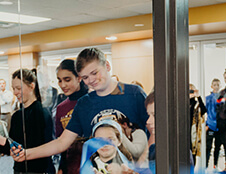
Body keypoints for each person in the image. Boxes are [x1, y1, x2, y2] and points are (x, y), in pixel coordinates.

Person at [11, 47, 148, 167]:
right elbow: (62, 142)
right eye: (85, 77)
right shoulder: (84, 103)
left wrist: (146, 164)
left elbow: (154, 132)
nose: (91, 80)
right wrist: (27, 153)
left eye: (95, 73)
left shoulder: (134, 93)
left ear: (107, 66)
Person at [189, 83, 206, 166]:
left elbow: (204, 111)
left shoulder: (196, 104)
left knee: (193, 153)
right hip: (183, 130)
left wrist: (198, 96)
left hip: (193, 133)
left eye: (191, 90)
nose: (190, 93)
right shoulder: (181, 103)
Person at [205, 78, 220, 171]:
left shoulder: (222, 98)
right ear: (211, 86)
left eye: (218, 85)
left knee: (217, 147)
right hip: (210, 126)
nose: (216, 87)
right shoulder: (208, 99)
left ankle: (215, 166)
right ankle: (206, 166)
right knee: (208, 147)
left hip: (219, 126)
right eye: (215, 85)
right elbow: (204, 111)